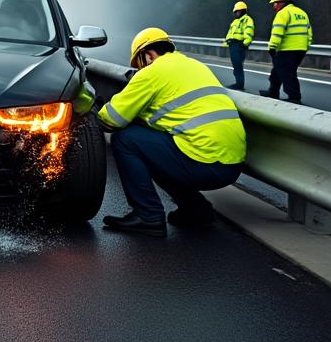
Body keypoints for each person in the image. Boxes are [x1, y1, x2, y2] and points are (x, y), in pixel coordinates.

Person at [97, 27, 246, 236]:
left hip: (204, 163)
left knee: (125, 139)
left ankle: (148, 216)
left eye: (139, 64)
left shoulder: (152, 72)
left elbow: (111, 119)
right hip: (232, 165)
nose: (140, 70)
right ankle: (196, 210)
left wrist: (95, 110)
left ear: (148, 55)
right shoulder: (195, 65)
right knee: (158, 148)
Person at [260, 0, 311, 104]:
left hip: (287, 49)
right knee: (277, 71)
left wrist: (272, 46)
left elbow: (278, 31)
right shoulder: (302, 13)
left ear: (281, 3)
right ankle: (273, 92)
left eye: (275, 3)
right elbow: (309, 33)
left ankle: (294, 97)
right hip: (300, 49)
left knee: (287, 73)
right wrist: (305, 46)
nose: (274, 6)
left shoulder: (283, 14)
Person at [224, 0, 254, 90]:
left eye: (237, 11)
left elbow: (249, 32)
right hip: (233, 45)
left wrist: (245, 44)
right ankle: (238, 83)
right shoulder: (235, 22)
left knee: (238, 65)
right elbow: (230, 33)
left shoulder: (247, 20)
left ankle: (239, 84)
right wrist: (227, 41)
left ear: (241, 11)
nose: (236, 13)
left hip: (239, 45)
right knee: (236, 65)